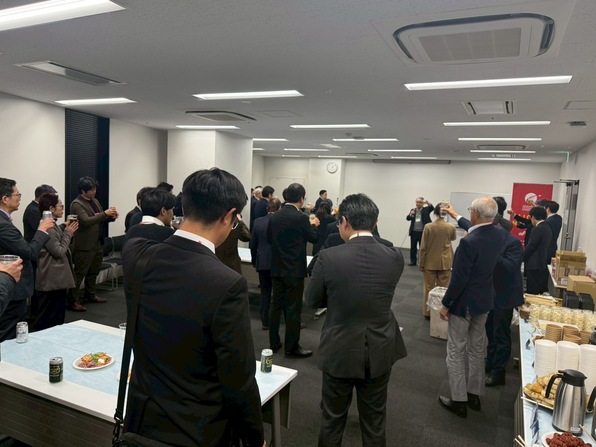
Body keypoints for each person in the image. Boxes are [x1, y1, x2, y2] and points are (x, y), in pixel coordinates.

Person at [122, 168, 264, 446]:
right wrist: (254, 437)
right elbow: (238, 378)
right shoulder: (227, 283)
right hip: (197, 428)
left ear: (184, 205)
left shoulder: (137, 255)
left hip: (141, 419)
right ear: (228, 216)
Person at [306, 193, 407, 446]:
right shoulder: (395, 256)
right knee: (374, 423)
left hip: (339, 347)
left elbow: (312, 301)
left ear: (344, 222)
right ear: (375, 223)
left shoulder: (329, 257)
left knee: (332, 420)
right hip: (381, 347)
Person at [438, 197, 507, 418]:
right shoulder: (500, 234)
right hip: (484, 300)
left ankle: (459, 400)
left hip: (464, 303)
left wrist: (446, 304)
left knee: (455, 351)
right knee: (477, 350)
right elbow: (477, 228)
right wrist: (456, 214)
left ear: (476, 214)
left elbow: (458, 280)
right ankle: (474, 395)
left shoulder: (469, 243)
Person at [443, 204, 524, 387]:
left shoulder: (513, 244)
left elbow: (510, 267)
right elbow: (468, 224)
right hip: (488, 294)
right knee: (489, 331)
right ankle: (490, 362)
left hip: (505, 296)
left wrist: (491, 253)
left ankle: (498, 372)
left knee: (501, 334)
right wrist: (454, 213)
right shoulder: (487, 237)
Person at [268, 182, 319, 358]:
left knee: (275, 306)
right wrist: (314, 224)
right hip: (294, 271)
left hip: (276, 268)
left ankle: (273, 343)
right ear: (302, 199)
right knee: (293, 310)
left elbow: (269, 239)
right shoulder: (301, 218)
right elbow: (313, 238)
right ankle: (291, 347)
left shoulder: (274, 216)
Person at [0, 178, 53, 341]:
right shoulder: (3, 225)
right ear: (5, 199)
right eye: (18, 194)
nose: (19, 198)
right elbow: (29, 252)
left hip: (10, 287)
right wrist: (42, 230)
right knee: (9, 335)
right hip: (12, 289)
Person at [69, 176, 118, 311]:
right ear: (83, 191)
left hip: (98, 242)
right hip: (85, 245)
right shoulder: (77, 204)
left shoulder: (95, 201)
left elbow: (99, 219)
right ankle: (72, 301)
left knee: (93, 272)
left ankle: (90, 295)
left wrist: (110, 217)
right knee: (80, 273)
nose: (94, 192)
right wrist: (105, 213)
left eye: (95, 189)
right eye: (91, 190)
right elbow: (86, 221)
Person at [33, 193, 78, 331]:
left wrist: (65, 229)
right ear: (51, 208)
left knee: (57, 317)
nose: (63, 209)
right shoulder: (48, 228)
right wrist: (68, 233)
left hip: (55, 279)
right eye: (61, 206)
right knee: (47, 318)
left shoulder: (53, 224)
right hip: (51, 279)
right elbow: (58, 251)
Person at [418, 203, 456, 317]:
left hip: (430, 261)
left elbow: (423, 247)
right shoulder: (451, 227)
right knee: (443, 289)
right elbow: (453, 238)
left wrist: (421, 263)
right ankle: (439, 313)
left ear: (434, 213)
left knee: (428, 288)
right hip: (445, 261)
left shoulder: (428, 227)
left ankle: (427, 312)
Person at [251, 197, 282, 330]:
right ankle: (276, 319)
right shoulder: (281, 222)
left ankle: (265, 320)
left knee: (265, 292)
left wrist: (254, 261)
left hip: (262, 261)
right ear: (279, 208)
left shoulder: (258, 222)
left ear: (266, 208)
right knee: (278, 293)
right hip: (278, 262)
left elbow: (253, 244)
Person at [523, 206, 552, 294]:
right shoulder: (547, 227)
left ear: (533, 217)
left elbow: (531, 246)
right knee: (536, 289)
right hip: (541, 262)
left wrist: (522, 257)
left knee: (531, 290)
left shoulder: (537, 228)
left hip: (533, 263)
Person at [406, 197, 433, 266]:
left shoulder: (426, 209)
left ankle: (422, 261)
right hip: (414, 232)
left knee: (422, 248)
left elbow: (432, 208)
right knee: (413, 248)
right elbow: (408, 218)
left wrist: (428, 203)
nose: (418, 204)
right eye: (417, 202)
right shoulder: (413, 210)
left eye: (420, 202)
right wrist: (410, 214)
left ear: (423, 203)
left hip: (422, 232)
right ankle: (413, 261)